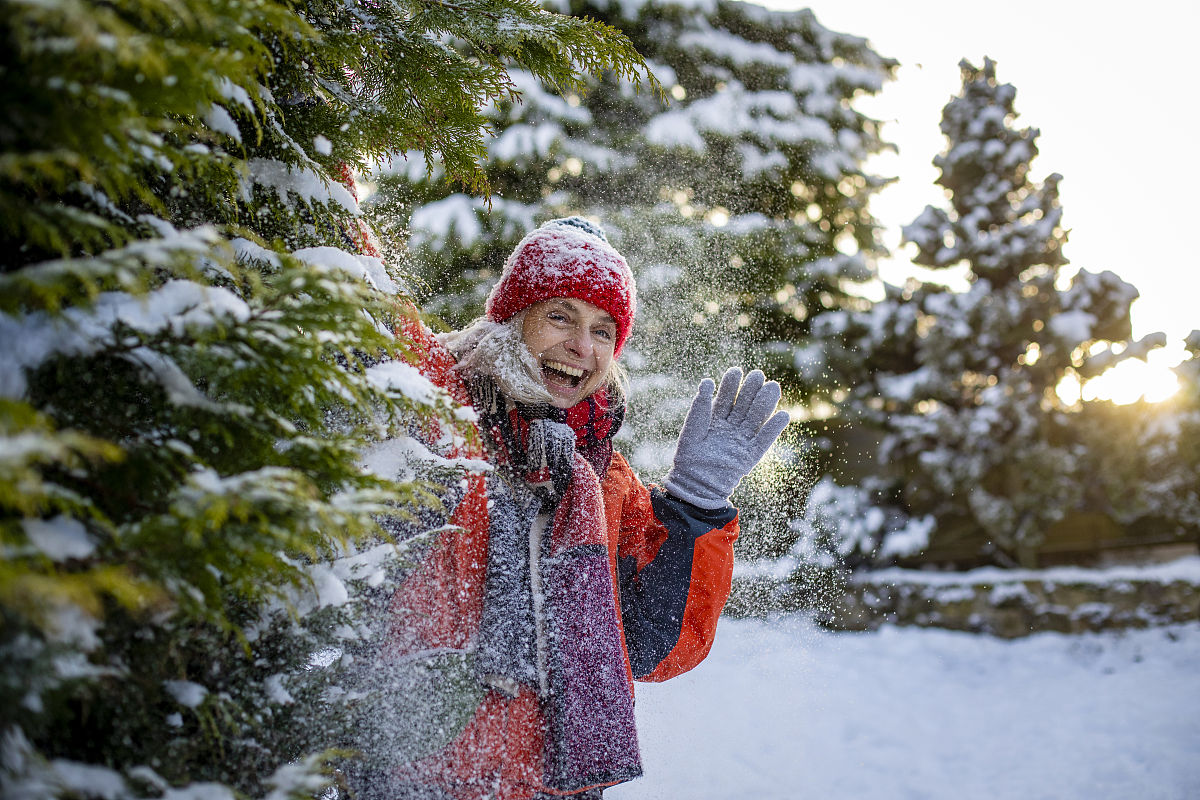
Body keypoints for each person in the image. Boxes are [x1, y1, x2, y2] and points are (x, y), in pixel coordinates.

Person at [368, 217, 789, 800]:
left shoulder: (604, 482)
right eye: (560, 316)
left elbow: (652, 647)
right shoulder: (434, 404)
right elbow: (357, 289)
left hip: (556, 787)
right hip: (415, 776)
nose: (581, 347)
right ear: (512, 320)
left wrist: (695, 503)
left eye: (603, 329)